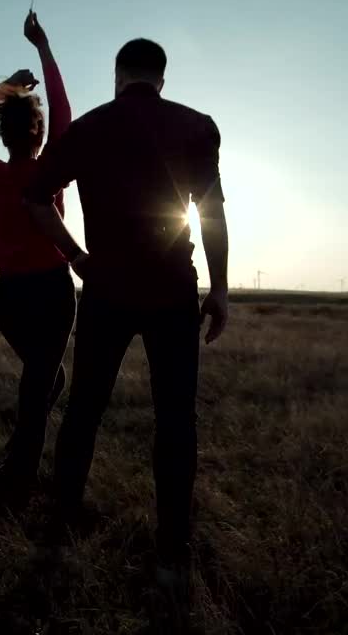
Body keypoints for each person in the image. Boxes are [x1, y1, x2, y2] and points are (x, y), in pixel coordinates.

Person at [24, 38, 230, 580]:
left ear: (117, 76)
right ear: (161, 78)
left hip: (106, 289)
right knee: (176, 418)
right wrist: (220, 288)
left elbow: (35, 199)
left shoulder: (87, 128)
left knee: (84, 410)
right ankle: (173, 548)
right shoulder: (196, 126)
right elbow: (211, 213)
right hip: (173, 289)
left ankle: (60, 527)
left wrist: (75, 256)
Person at [0, 11, 74, 490]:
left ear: (3, 135)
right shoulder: (51, 167)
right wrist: (43, 47)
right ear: (39, 134)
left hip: (10, 295)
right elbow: (64, 112)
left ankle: (18, 457)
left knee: (44, 376)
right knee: (43, 379)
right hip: (52, 289)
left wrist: (5, 89)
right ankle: (20, 472)